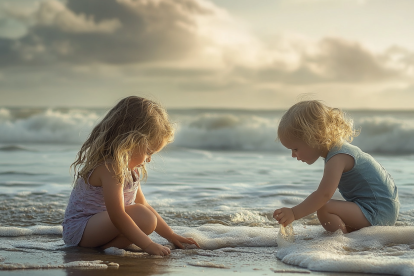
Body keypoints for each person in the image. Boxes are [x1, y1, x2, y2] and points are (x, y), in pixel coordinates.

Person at [62, 96, 199, 256]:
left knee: (146, 217)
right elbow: (117, 214)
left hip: (99, 229)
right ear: (130, 140)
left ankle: (102, 250)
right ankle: (96, 249)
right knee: (143, 217)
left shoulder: (131, 170)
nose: (148, 159)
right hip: (81, 229)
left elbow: (145, 205)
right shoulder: (110, 167)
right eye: (148, 152)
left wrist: (170, 235)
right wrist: (148, 245)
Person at [273, 100, 399, 233]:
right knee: (330, 207)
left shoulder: (338, 157)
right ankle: (354, 237)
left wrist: (294, 213)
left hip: (377, 212)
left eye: (295, 149)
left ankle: (342, 242)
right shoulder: (338, 151)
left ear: (314, 137)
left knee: (324, 208)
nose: (293, 155)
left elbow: (324, 194)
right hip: (381, 209)